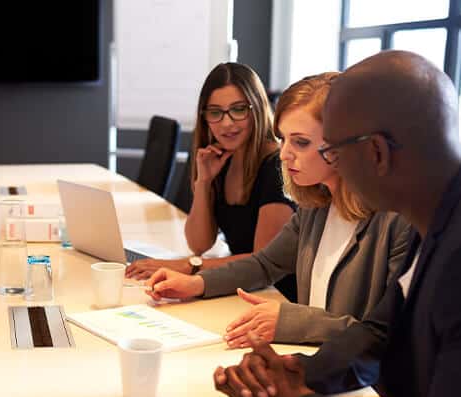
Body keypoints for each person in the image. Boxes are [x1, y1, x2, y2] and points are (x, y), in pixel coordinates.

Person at [212, 50, 461, 397]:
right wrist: (294, 374)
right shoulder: (436, 220)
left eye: (336, 150)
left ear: (377, 153)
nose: (333, 167)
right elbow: (379, 332)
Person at [144, 73, 411, 347]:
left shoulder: (398, 222)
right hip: (314, 361)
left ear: (343, 143)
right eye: (283, 139)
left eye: (301, 142)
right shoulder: (316, 206)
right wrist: (197, 284)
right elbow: (265, 263)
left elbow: (388, 335)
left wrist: (290, 321)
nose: (284, 154)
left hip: (361, 384)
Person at [126, 63, 297, 301]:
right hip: (239, 287)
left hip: (276, 295)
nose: (227, 123)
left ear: (256, 109)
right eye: (215, 112)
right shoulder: (221, 160)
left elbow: (262, 260)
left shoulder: (276, 167)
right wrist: (204, 182)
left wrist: (189, 266)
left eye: (238, 110)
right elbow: (199, 243)